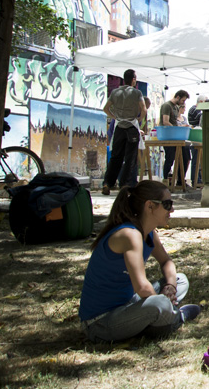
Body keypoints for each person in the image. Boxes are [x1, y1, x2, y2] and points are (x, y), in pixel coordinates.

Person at [79, 181, 200, 343]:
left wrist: (170, 286)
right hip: (100, 323)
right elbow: (142, 287)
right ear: (150, 206)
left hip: (128, 304)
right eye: (167, 204)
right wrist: (163, 302)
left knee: (180, 280)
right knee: (159, 304)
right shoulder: (130, 235)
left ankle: (158, 319)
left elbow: (166, 261)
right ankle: (176, 317)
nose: (172, 210)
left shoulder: (148, 233)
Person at [101, 69, 147, 195]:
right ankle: (124, 185)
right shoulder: (137, 93)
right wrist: (139, 119)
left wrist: (115, 117)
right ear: (133, 79)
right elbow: (143, 109)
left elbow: (106, 108)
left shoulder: (115, 92)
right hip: (131, 127)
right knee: (130, 158)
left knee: (116, 157)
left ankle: (107, 183)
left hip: (119, 127)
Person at [159, 90, 191, 185]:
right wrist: (177, 128)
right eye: (183, 100)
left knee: (184, 156)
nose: (183, 103)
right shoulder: (167, 106)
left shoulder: (176, 107)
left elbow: (175, 121)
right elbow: (165, 121)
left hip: (175, 136)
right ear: (178, 97)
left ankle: (180, 180)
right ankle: (165, 179)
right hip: (168, 135)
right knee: (170, 158)